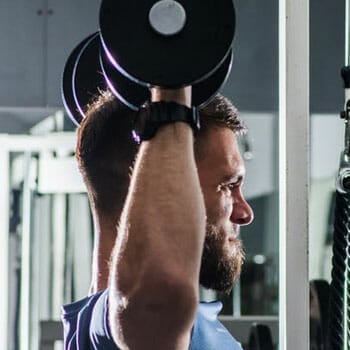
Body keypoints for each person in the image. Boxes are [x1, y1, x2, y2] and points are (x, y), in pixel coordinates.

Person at [62, 86, 254, 349]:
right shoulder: (121, 322)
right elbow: (154, 299)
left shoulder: (100, 324)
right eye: (227, 185)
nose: (245, 213)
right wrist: (172, 98)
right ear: (145, 185)